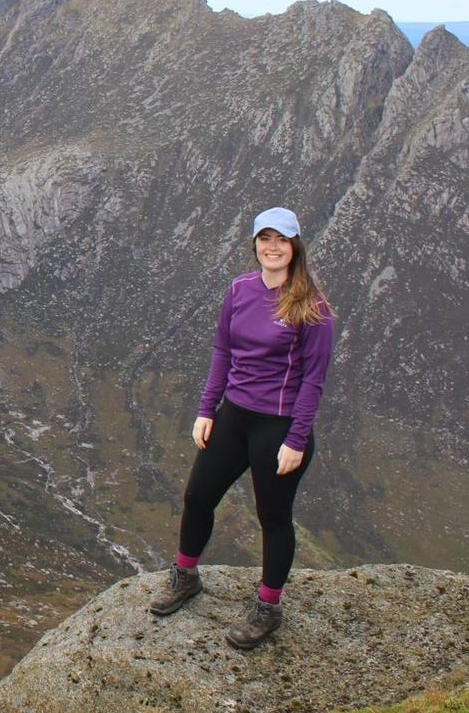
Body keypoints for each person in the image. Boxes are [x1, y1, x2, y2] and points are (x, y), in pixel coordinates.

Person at [148, 207, 335, 650]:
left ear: (295, 247)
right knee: (197, 496)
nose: (272, 247)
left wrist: (296, 438)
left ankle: (268, 607)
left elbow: (314, 380)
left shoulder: (312, 307)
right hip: (234, 414)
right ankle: (186, 576)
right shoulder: (240, 290)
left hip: (279, 424)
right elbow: (222, 350)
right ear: (254, 244)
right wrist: (206, 409)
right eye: (264, 238)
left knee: (272, 517)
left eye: (282, 239)